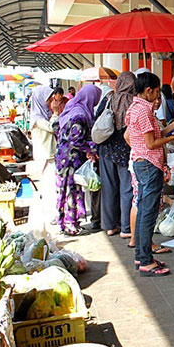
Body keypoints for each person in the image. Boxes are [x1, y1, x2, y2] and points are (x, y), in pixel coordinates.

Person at [125, 72, 174, 276]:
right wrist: (172, 137)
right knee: (148, 213)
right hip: (149, 165)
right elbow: (151, 143)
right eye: (157, 92)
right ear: (149, 90)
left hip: (144, 164)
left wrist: (170, 128)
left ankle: (142, 256)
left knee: (144, 210)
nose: (158, 96)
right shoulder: (143, 111)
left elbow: (149, 136)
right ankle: (145, 261)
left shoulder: (137, 107)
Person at [55, 85, 102, 236]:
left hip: (63, 156)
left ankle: (67, 222)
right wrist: (92, 147)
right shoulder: (80, 115)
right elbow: (75, 139)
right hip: (69, 159)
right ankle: (70, 224)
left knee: (65, 189)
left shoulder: (72, 107)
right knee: (70, 191)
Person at [95, 71, 135, 238]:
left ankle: (110, 226)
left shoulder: (109, 98)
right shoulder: (133, 102)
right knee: (127, 189)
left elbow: (96, 119)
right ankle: (126, 228)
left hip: (106, 149)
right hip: (125, 150)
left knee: (109, 188)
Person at [28, 85, 63, 235]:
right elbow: (53, 127)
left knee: (51, 186)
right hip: (44, 156)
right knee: (48, 187)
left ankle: (54, 214)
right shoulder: (37, 119)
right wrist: (55, 112)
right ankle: (51, 215)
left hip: (49, 155)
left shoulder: (42, 115)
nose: (51, 103)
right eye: (48, 100)